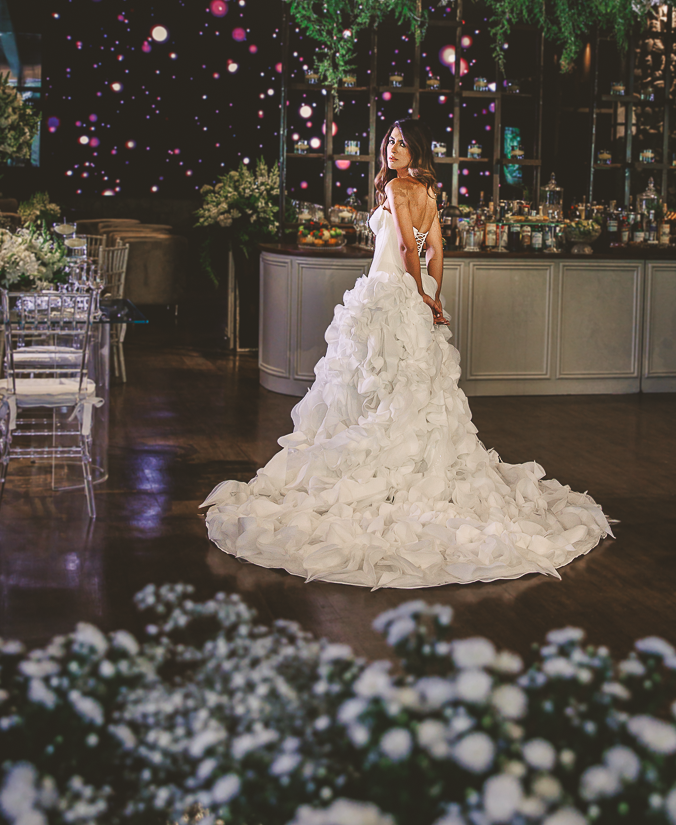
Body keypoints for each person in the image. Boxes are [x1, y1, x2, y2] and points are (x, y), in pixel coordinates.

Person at [202, 119, 611, 588]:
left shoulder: (398, 188)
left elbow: (406, 247)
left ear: (416, 150)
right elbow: (436, 249)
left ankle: (384, 471)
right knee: (410, 385)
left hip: (389, 297)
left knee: (377, 382)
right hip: (414, 300)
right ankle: (412, 464)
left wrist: (418, 292)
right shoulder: (429, 192)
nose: (392, 149)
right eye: (389, 141)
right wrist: (433, 294)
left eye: (401, 143)